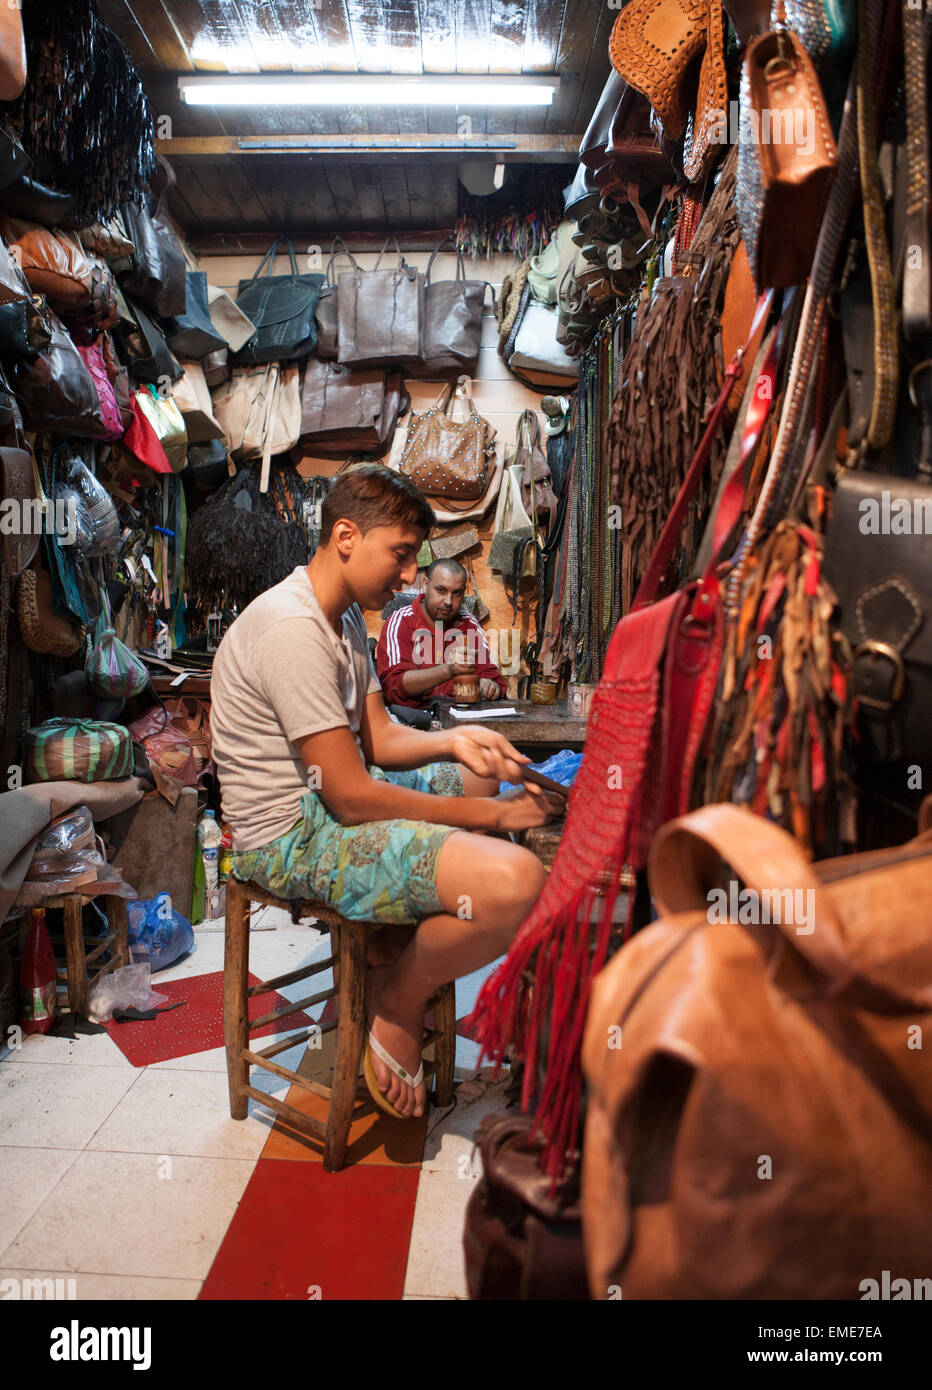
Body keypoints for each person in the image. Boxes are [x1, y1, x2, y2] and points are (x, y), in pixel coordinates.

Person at [210, 464, 561, 1123]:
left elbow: (378, 737)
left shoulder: (341, 620)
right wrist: (486, 815)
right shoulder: (293, 629)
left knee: (484, 768)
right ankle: (397, 997)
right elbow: (351, 797)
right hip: (288, 838)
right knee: (516, 882)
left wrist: (458, 742)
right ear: (346, 535)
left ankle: (391, 936)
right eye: (401, 555)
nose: (407, 577)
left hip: (329, 805)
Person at [377, 557, 507, 708]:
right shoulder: (401, 621)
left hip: (459, 721)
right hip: (412, 723)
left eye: (456, 593)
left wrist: (490, 686)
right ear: (425, 585)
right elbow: (393, 685)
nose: (449, 601)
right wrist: (448, 669)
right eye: (441, 590)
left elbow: (493, 679)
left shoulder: (468, 625)